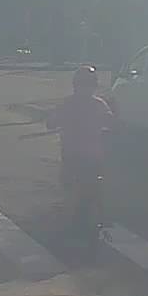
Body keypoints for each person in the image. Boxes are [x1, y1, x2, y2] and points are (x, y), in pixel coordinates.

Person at [47, 66, 114, 231]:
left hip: (75, 154)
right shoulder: (98, 104)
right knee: (90, 184)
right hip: (89, 155)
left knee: (74, 184)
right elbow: (111, 122)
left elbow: (51, 122)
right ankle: (98, 213)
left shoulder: (69, 103)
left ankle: (89, 212)